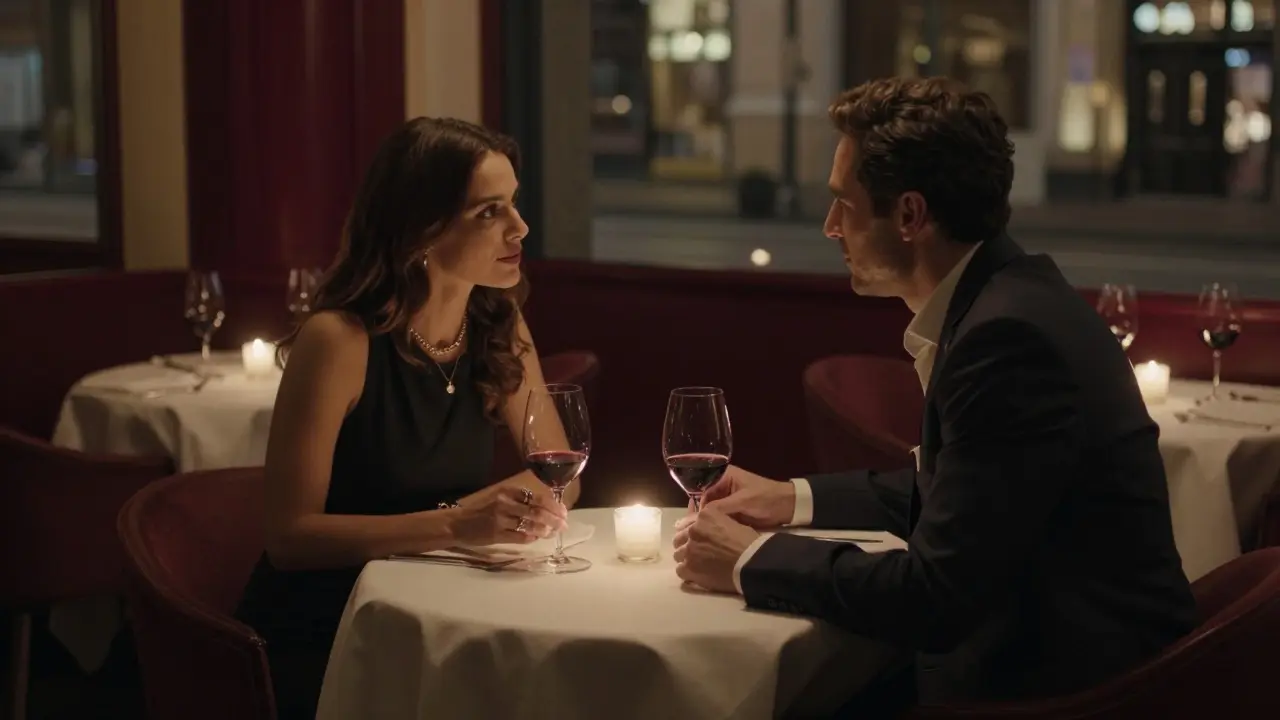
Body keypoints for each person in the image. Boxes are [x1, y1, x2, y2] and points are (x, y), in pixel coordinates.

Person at [673, 78, 1197, 713]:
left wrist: (751, 559)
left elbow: (936, 599)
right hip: (1055, 659)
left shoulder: (1007, 340)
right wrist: (790, 499)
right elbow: (971, 494)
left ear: (910, 215)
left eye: (844, 203)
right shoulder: (1007, 298)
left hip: (1067, 690)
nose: (830, 226)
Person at [235, 117, 574, 719]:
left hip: (447, 604)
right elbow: (289, 538)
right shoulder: (339, 340)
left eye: (514, 204)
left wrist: (504, 511)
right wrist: (458, 524)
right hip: (335, 627)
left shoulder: (498, 326)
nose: (519, 227)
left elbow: (562, 471)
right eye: (488, 213)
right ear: (422, 229)